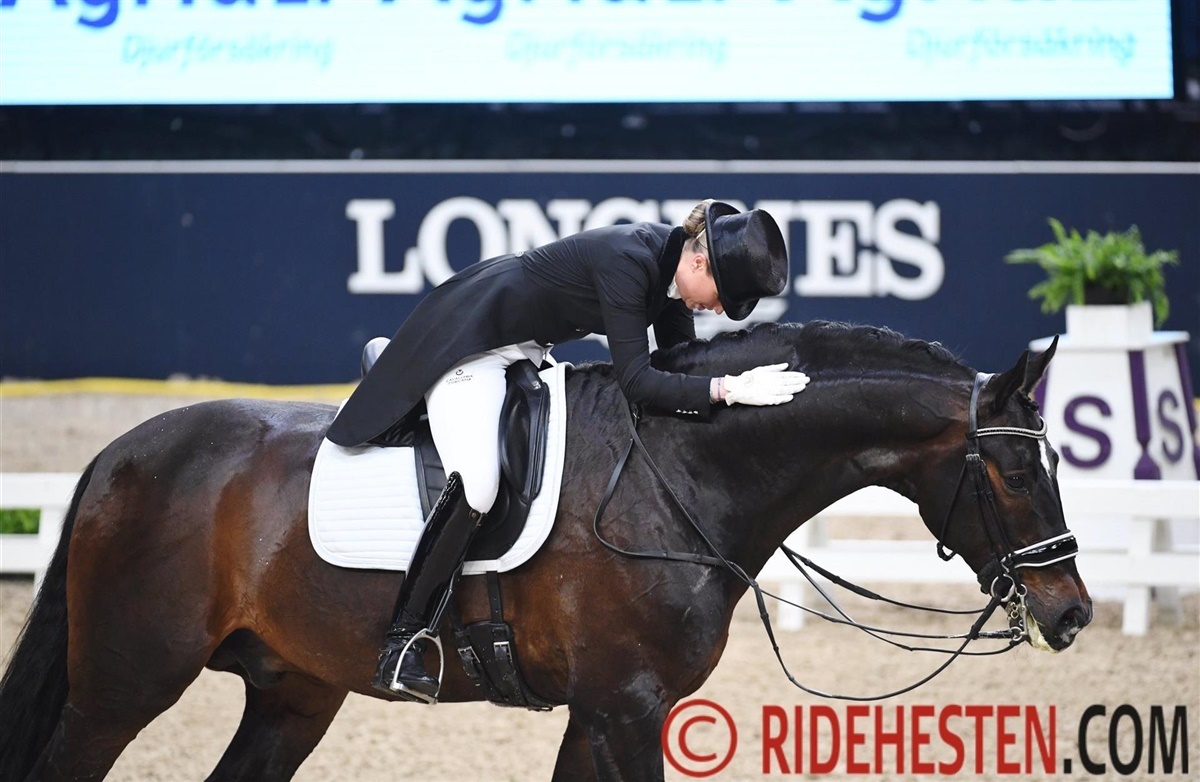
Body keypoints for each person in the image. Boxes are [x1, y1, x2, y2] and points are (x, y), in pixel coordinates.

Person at [325, 199, 810, 701]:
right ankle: (403, 639)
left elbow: (680, 364)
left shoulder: (670, 272)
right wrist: (726, 390)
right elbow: (638, 382)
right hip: (474, 345)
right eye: (721, 298)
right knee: (478, 484)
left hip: (526, 350)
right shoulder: (629, 262)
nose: (717, 310)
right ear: (700, 262)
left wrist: (742, 388)